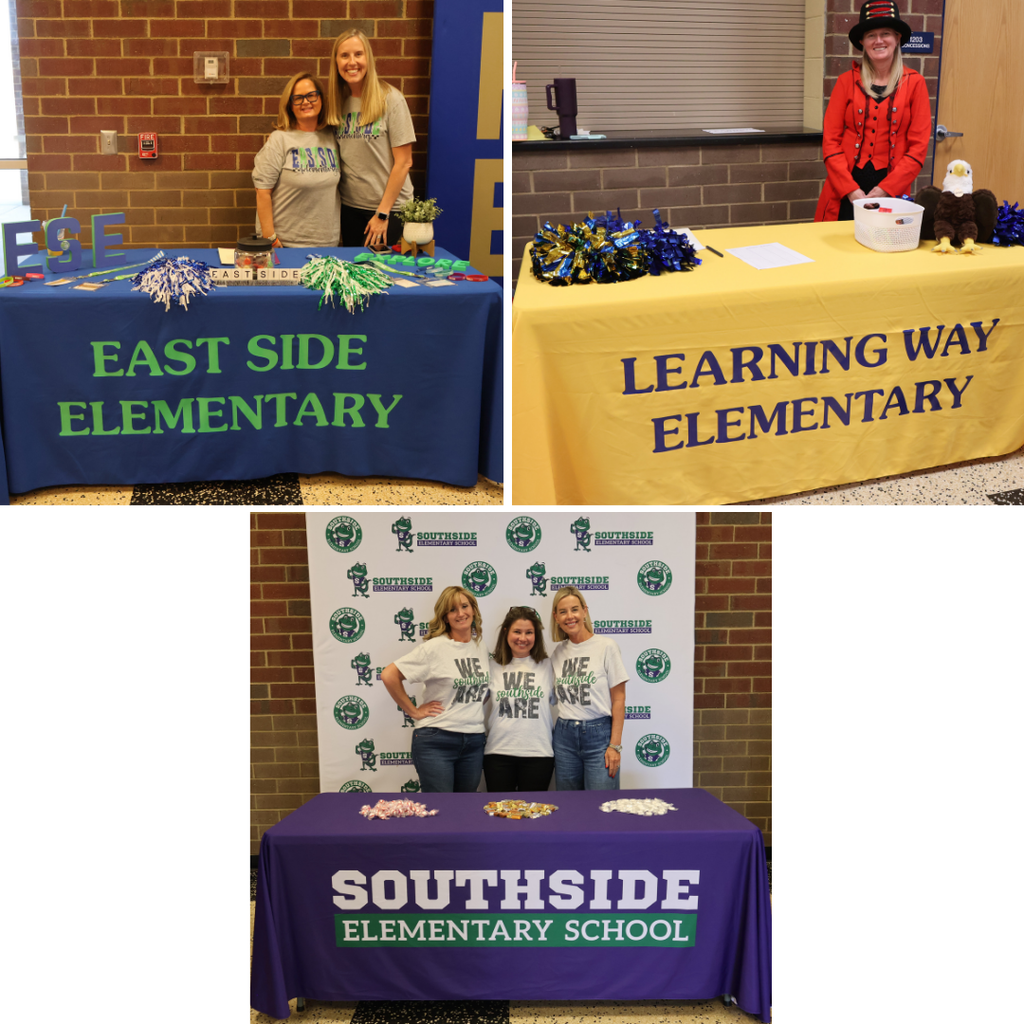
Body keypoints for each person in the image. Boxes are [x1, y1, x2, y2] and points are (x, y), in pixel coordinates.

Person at [814, 1, 931, 222]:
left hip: (891, 191)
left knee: (886, 248)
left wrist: (887, 189)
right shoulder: (845, 82)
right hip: (845, 191)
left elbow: (918, 147)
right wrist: (850, 190)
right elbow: (831, 140)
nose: (878, 40)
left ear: (897, 38)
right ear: (862, 42)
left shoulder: (915, 83)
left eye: (885, 33)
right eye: (871, 35)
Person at [381, 587, 488, 793]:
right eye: (452, 610)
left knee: (464, 810)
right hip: (437, 740)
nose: (460, 613)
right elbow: (389, 675)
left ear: (473, 610)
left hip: (473, 740)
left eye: (465, 606)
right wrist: (414, 712)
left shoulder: (480, 646)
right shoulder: (434, 648)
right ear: (445, 617)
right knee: (441, 811)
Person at [327, 28, 415, 248]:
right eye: (344, 55)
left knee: (387, 278)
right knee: (355, 276)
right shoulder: (337, 102)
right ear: (336, 62)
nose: (352, 62)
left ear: (368, 58)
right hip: (350, 207)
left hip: (389, 209)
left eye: (358, 54)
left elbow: (404, 162)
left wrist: (382, 214)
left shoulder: (390, 99)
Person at [549, 587, 628, 790]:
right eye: (563, 612)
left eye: (574, 609)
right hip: (564, 736)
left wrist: (614, 746)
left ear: (585, 611)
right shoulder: (557, 653)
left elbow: (619, 699)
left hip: (600, 736)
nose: (570, 616)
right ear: (556, 617)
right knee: (568, 806)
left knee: (602, 804)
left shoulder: (606, 646)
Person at [252, 72, 340, 247]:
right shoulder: (279, 140)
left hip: (327, 243)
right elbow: (262, 192)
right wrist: (270, 238)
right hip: (285, 244)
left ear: (321, 99)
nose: (306, 102)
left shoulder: (333, 137)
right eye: (298, 98)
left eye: (311, 96)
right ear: (290, 105)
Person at [483, 607, 555, 793]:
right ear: (506, 632)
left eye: (529, 632)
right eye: (517, 631)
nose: (523, 638)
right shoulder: (491, 666)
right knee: (499, 816)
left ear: (536, 636)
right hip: (498, 753)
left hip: (539, 754)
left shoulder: (549, 666)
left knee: (534, 817)